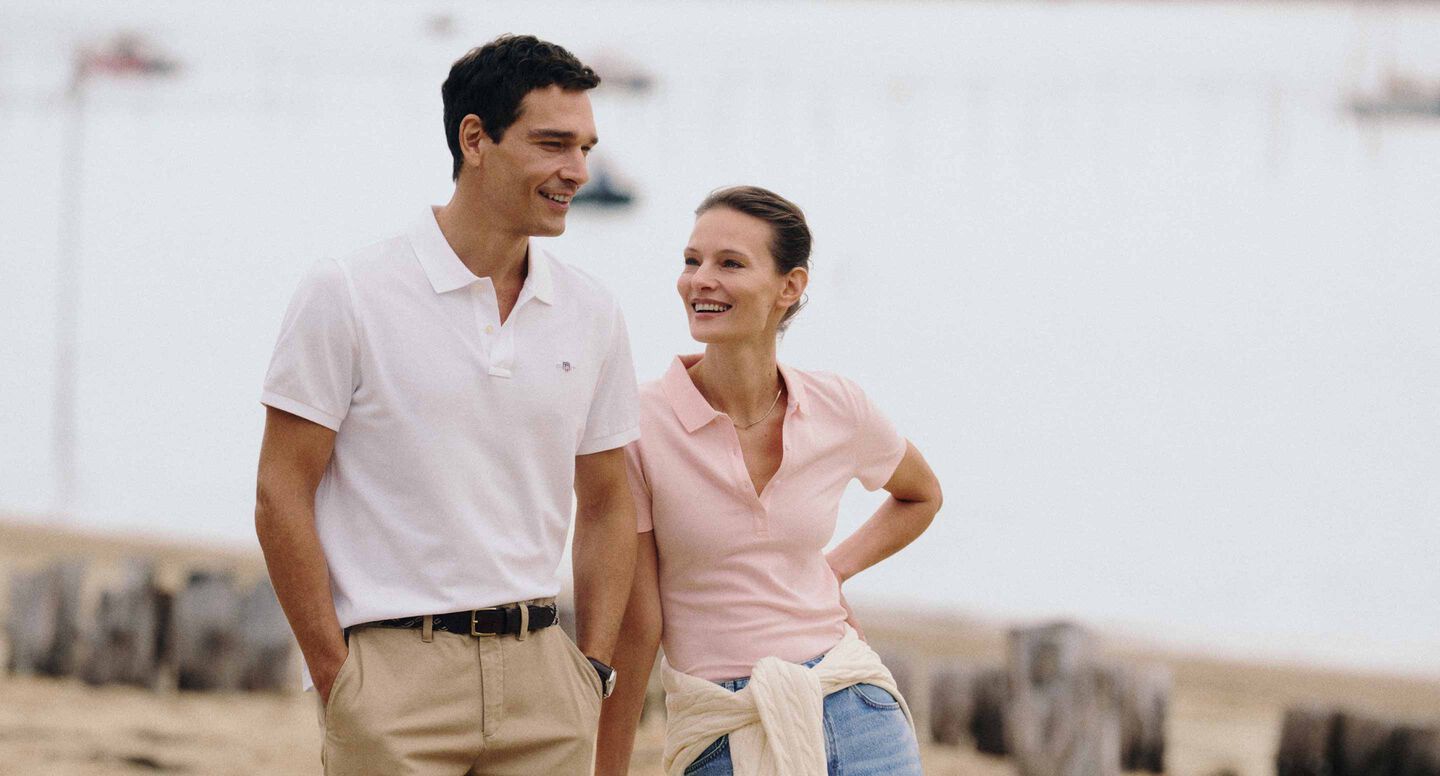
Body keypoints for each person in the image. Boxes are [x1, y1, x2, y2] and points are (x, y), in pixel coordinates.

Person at [254, 35, 638, 774]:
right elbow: (281, 491)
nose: (578, 172)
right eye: (554, 144)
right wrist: (338, 677)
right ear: (475, 139)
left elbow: (608, 503)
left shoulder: (592, 312)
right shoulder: (349, 291)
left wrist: (590, 669)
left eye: (586, 148)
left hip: (543, 685)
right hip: (392, 678)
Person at [595, 186, 944, 775]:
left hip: (856, 706)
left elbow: (921, 494)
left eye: (729, 263)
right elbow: (639, 621)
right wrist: (609, 769)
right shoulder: (636, 423)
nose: (699, 279)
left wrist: (836, 568)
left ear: (791, 287)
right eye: (691, 260)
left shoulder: (838, 405)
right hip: (725, 724)